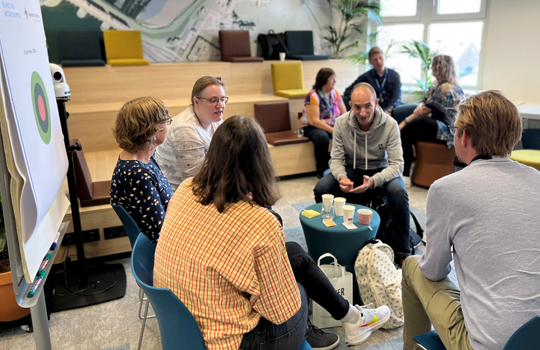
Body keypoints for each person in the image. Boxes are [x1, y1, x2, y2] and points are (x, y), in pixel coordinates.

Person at [154, 115, 390, 350]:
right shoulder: (260, 222)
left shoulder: (186, 188)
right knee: (297, 289)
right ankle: (344, 321)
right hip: (233, 342)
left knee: (294, 253)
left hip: (183, 323)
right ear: (260, 163)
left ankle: (351, 319)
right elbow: (278, 311)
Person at [402, 91, 540, 350]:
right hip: (534, 337)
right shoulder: (537, 180)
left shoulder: (447, 189)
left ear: (465, 136)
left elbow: (433, 270)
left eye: (455, 131)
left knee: (412, 265)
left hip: (488, 344)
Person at [314, 83, 411, 265]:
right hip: (352, 169)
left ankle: (402, 252)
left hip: (381, 170)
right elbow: (335, 159)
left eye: (368, 106)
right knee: (322, 187)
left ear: (376, 102)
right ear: (350, 105)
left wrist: (374, 181)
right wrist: (342, 177)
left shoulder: (390, 125)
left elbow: (398, 165)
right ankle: (330, 238)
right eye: (357, 107)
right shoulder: (342, 123)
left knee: (399, 191)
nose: (363, 112)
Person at [110, 97, 174, 245]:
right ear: (152, 130)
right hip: (162, 252)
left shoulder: (144, 159)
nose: (168, 125)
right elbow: (160, 234)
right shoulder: (136, 174)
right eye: (166, 121)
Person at [154, 76, 227, 190]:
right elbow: (196, 182)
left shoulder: (216, 120)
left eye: (222, 99)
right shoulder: (184, 129)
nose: (220, 105)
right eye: (213, 100)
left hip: (210, 183)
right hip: (180, 195)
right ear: (196, 101)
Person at [398, 55, 465, 177]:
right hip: (438, 123)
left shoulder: (446, 87)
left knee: (407, 130)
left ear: (439, 67)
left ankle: (405, 173)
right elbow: (425, 102)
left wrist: (403, 123)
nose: (431, 68)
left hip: (448, 130)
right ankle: (406, 170)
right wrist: (420, 106)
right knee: (412, 131)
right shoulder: (436, 84)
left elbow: (426, 109)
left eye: (433, 65)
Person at [343, 47, 415, 123]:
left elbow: (397, 97)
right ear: (371, 62)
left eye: (380, 58)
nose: (379, 62)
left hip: (393, 108)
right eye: (375, 60)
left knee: (414, 107)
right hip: (375, 109)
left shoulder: (394, 75)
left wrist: (389, 110)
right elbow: (347, 91)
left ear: (384, 58)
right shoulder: (366, 77)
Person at [299, 68, 347, 178]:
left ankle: (341, 166)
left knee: (347, 134)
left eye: (335, 78)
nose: (335, 81)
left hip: (331, 124)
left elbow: (344, 114)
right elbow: (314, 121)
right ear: (323, 80)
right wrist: (334, 131)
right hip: (311, 126)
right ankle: (322, 170)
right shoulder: (313, 95)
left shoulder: (335, 94)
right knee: (322, 138)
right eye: (332, 78)